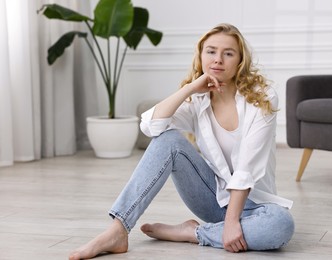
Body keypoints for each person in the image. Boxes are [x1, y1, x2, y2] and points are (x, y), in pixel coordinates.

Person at [69, 23, 294, 260]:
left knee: (280, 225)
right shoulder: (197, 99)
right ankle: (118, 230)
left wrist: (231, 222)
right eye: (211, 51)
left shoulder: (262, 97)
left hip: (253, 205)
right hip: (212, 198)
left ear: (240, 61)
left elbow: (247, 167)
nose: (218, 59)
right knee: (168, 139)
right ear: (200, 55)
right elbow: (150, 126)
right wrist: (188, 89)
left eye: (228, 53)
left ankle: (192, 233)